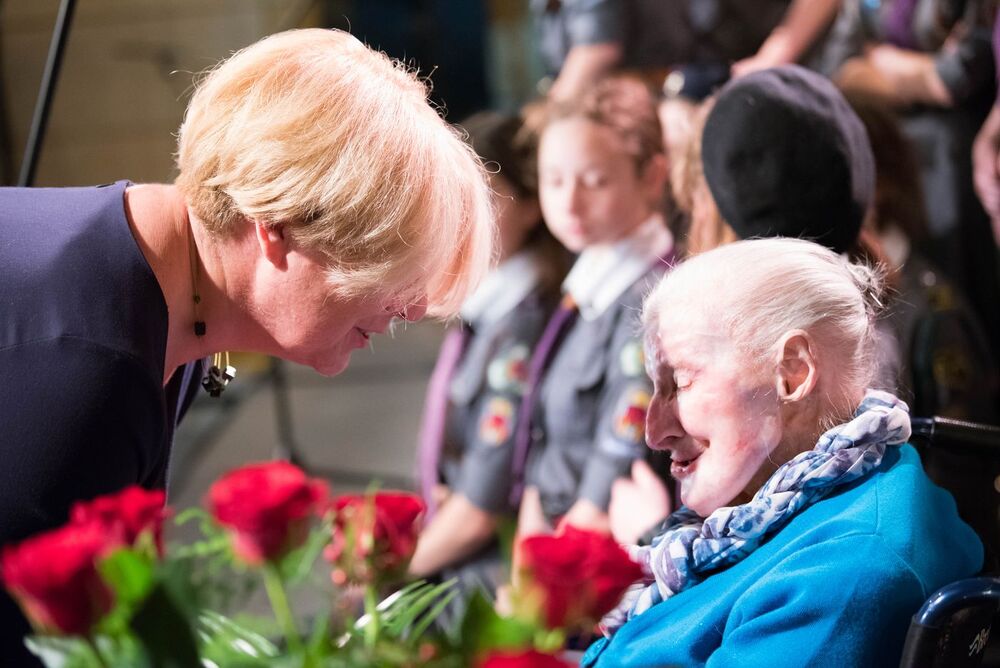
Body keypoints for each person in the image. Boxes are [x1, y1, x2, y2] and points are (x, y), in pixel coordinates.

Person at [0, 28, 494, 665]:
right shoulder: (87, 367)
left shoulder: (166, 283)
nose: (415, 308)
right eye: (388, 264)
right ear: (277, 224)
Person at [584, 238, 983, 667]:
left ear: (793, 373)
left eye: (680, 383)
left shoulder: (844, 568)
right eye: (655, 388)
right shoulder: (772, 514)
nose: (654, 432)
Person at [408, 112, 570, 616]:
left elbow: (482, 506)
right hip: (454, 547)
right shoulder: (486, 309)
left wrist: (388, 575)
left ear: (532, 207)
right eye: (455, 198)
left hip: (484, 577)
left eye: (487, 199)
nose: (464, 220)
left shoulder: (521, 325)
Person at [512, 76, 674, 548]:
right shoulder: (587, 277)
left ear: (652, 177)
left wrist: (551, 560)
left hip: (597, 548)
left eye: (596, 181)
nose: (569, 202)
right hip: (553, 529)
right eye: (554, 180)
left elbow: (622, 446)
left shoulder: (651, 299)